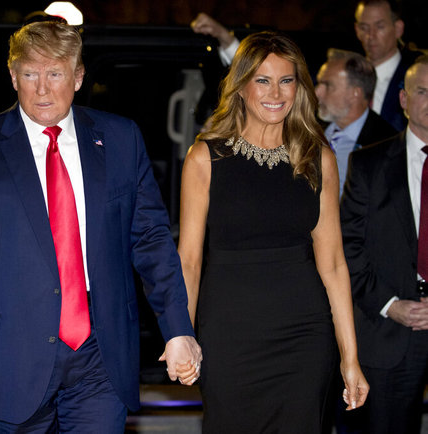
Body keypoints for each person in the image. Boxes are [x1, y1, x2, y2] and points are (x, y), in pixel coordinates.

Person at [0, 20, 202, 432]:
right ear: (12, 74)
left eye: (54, 73)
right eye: (30, 73)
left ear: (77, 77)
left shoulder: (121, 139)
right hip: (6, 357)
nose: (42, 89)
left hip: (100, 354)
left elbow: (151, 241)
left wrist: (178, 328)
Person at [177, 31, 369, 433]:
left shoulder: (318, 158)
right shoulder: (205, 157)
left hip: (304, 334)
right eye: (263, 80)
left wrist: (349, 357)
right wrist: (181, 334)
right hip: (230, 333)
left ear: (298, 87)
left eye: (287, 80)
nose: (275, 92)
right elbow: (189, 261)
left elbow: (333, 264)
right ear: (242, 85)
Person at [340, 55, 428, 434]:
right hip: (389, 331)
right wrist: (390, 305)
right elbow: (348, 246)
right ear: (405, 100)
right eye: (424, 91)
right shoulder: (369, 165)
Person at [315, 48, 397, 196]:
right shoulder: (308, 128)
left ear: (355, 93)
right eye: (319, 83)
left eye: (328, 85)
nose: (317, 92)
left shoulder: (388, 144)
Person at [354, 0, 421, 132]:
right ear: (357, 30)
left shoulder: (416, 78)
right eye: (364, 28)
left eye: (379, 26)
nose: (370, 36)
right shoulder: (346, 76)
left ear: (398, 29)